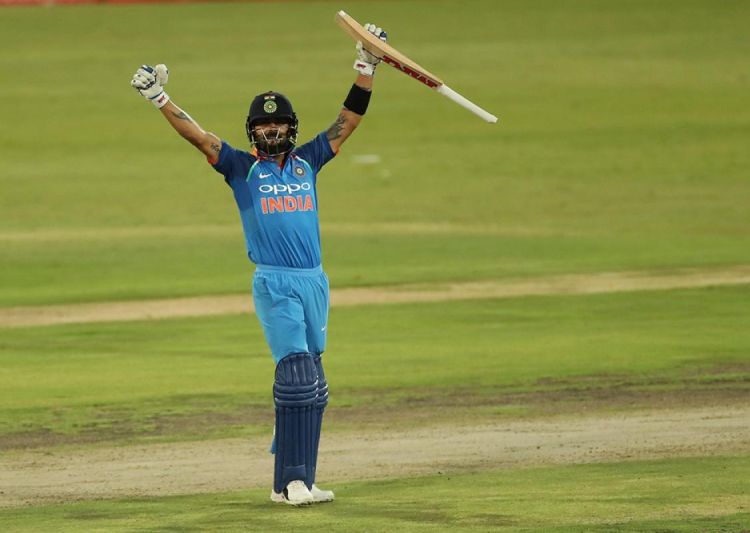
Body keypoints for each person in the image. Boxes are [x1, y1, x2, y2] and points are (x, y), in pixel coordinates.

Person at [130, 23, 387, 506]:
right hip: (275, 282)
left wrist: (367, 64)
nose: (273, 131)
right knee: (296, 376)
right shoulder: (241, 168)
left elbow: (348, 120)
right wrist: (159, 97)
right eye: (266, 126)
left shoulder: (309, 161)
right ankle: (291, 483)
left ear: (291, 128)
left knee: (315, 387)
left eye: (281, 126)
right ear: (253, 131)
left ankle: (298, 482)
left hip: (315, 280)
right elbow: (199, 137)